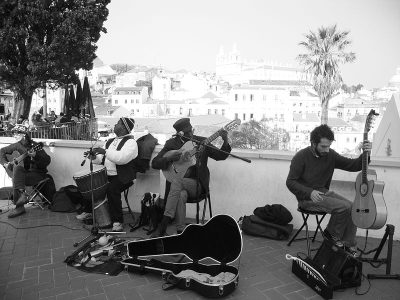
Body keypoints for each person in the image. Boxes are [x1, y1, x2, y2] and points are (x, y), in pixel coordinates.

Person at [286, 124, 371, 257]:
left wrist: (366, 154)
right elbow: (290, 182)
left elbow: (353, 165)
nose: (327, 149)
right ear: (313, 143)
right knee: (344, 207)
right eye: (323, 146)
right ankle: (331, 236)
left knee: (353, 207)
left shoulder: (330, 155)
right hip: (307, 198)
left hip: (323, 192)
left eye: (329, 146)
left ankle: (347, 245)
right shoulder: (301, 157)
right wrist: (309, 192)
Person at [151, 118, 232, 236]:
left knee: (177, 182)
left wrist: (225, 140)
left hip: (198, 184)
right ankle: (181, 232)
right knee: (180, 194)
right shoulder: (171, 144)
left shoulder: (201, 142)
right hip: (177, 188)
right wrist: (169, 158)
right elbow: (155, 163)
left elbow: (221, 156)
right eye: (186, 132)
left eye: (191, 130)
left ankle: (163, 225)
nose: (190, 134)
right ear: (180, 133)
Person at [81, 117, 138, 232]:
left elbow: (122, 158)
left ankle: (117, 222)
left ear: (124, 128)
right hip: (108, 175)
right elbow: (101, 159)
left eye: (118, 123)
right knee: (92, 184)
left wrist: (105, 152)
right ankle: (90, 213)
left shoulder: (131, 143)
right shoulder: (110, 141)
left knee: (112, 190)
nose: (115, 124)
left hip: (123, 177)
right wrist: (93, 157)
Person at [0, 124, 51, 218]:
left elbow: (47, 160)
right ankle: (22, 196)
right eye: (13, 134)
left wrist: (35, 156)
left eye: (16, 133)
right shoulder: (16, 145)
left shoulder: (35, 146)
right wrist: (5, 163)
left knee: (17, 172)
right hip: (22, 176)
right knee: (17, 169)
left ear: (24, 134)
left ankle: (19, 206)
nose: (14, 136)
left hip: (37, 174)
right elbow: (1, 151)